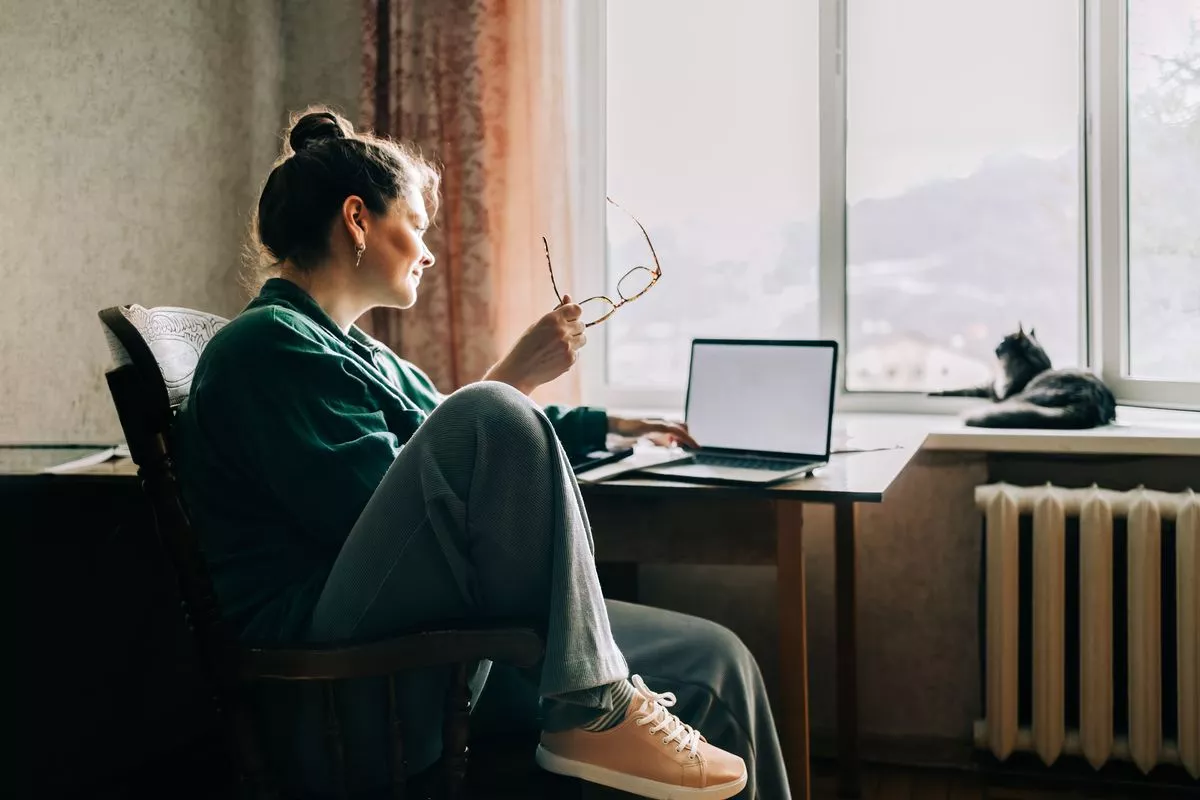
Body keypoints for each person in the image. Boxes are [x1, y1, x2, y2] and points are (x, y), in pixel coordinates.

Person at [174, 107, 788, 800]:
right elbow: (399, 513)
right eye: (416, 225)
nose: (428, 251)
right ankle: (593, 707)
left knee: (717, 660)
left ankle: (598, 702)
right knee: (489, 408)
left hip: (424, 644)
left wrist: (608, 424)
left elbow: (441, 447)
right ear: (357, 219)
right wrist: (511, 379)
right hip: (347, 684)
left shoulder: (362, 354)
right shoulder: (267, 347)